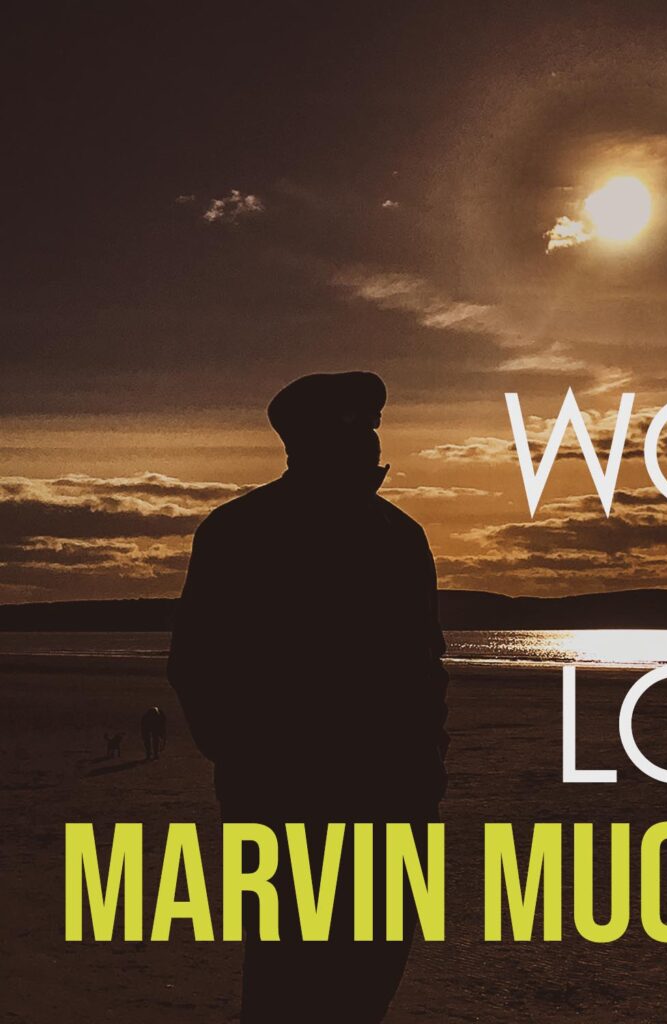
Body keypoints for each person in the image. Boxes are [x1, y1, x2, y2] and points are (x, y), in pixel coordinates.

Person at [168, 371, 449, 1023]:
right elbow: (198, 665)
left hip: (389, 803)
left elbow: (423, 670)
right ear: (306, 441)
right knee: (286, 982)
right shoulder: (241, 532)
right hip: (283, 805)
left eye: (370, 427)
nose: (368, 441)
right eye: (351, 429)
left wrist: (426, 774)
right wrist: (253, 763)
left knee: (365, 983)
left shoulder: (398, 535)